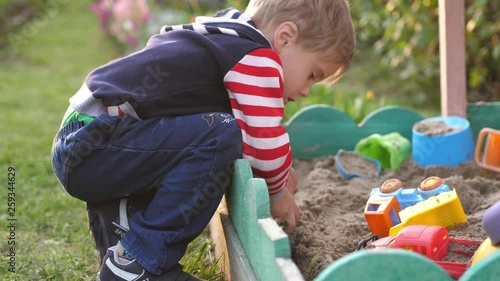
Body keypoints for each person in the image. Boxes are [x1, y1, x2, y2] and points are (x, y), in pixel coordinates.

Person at [51, 0, 355, 280]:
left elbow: (250, 136)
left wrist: (275, 170)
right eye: (313, 74)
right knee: (222, 133)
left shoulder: (225, 36)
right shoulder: (256, 57)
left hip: (87, 136)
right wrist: (277, 193)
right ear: (285, 37)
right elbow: (263, 137)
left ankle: (122, 246)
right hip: (96, 140)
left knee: (210, 135)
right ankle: (142, 262)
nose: (306, 90)